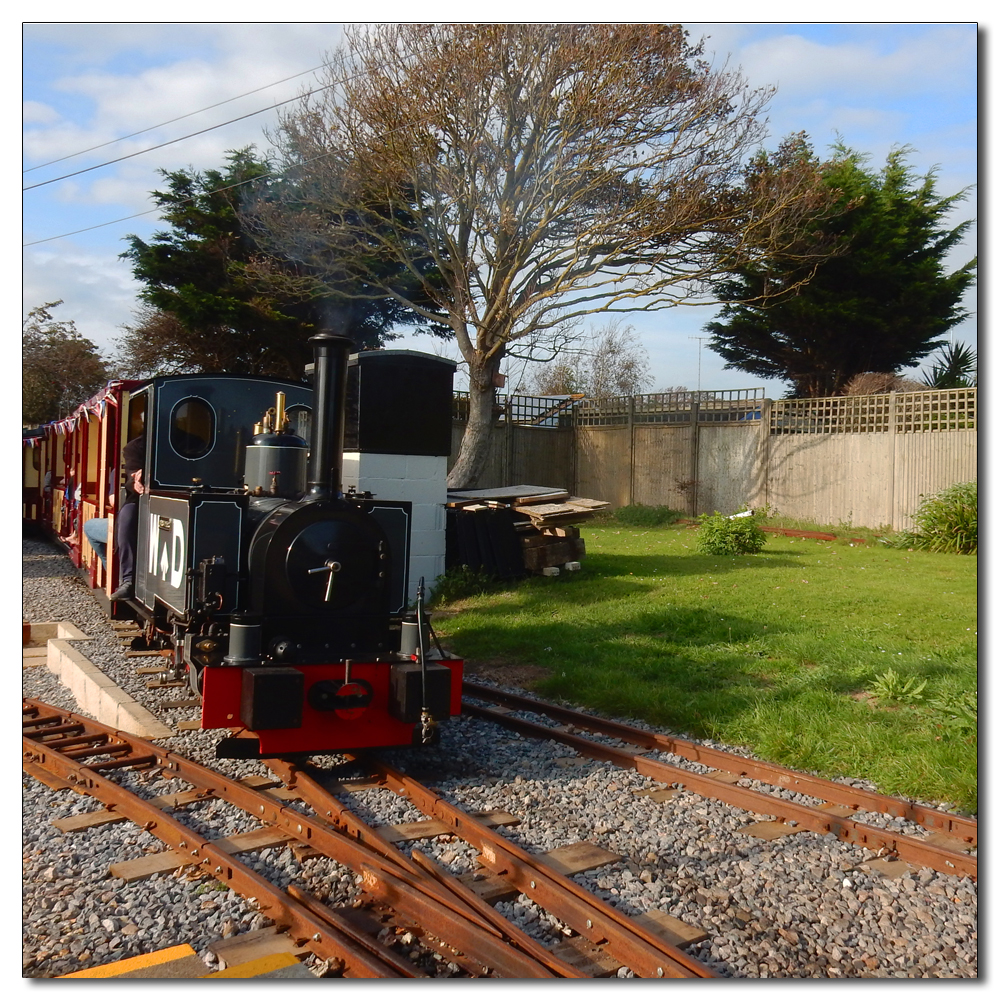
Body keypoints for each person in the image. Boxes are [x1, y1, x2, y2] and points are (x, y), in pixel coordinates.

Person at [109, 433, 146, 602]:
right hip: (139, 499)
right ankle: (128, 579)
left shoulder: (191, 441)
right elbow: (132, 473)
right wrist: (137, 480)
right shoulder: (135, 446)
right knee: (126, 518)